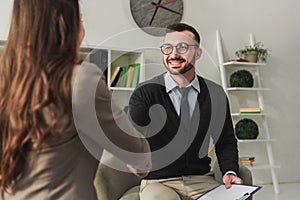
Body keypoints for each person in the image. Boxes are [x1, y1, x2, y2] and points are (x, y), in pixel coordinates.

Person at [0, 0, 150, 199]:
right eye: (79, 19)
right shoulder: (80, 80)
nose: (83, 28)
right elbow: (137, 152)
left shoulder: (7, 80)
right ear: (64, 25)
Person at [129, 23, 243, 200]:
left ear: (198, 53)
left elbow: (225, 140)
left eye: (182, 47)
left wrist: (229, 171)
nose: (173, 55)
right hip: (159, 182)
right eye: (167, 48)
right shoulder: (145, 92)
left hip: (201, 179)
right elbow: (132, 135)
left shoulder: (215, 94)